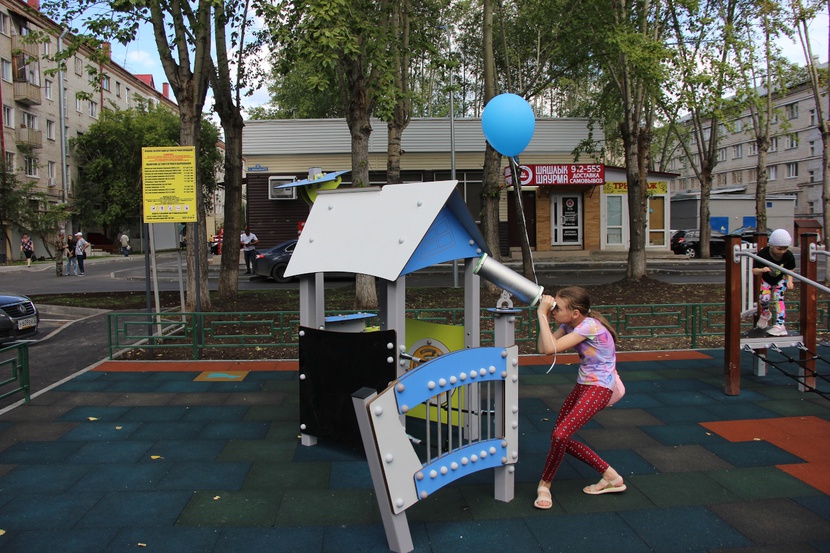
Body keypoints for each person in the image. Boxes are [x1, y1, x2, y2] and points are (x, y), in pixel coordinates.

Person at [533, 286, 625, 510]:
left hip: (599, 388)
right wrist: (545, 317)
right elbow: (542, 348)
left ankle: (545, 484)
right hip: (584, 386)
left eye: (558, 308)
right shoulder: (570, 325)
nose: (553, 310)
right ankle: (611, 477)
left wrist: (541, 314)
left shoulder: (589, 326)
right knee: (559, 437)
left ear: (575, 313)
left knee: (560, 435)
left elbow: (550, 350)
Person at [753, 228, 796, 337]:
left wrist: (790, 280)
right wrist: (762, 270)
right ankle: (765, 314)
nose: (782, 252)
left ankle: (780, 325)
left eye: (785, 249)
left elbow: (790, 269)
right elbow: (754, 270)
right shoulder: (763, 253)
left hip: (781, 279)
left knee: (778, 298)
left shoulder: (788, 255)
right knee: (764, 298)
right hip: (767, 279)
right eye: (779, 249)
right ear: (771, 245)